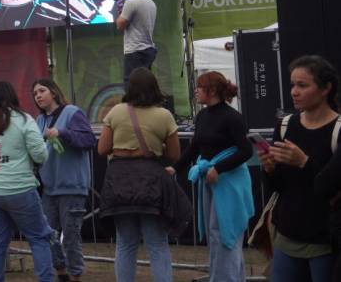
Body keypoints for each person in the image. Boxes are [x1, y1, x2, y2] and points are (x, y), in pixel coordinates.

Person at [260, 55, 340, 281]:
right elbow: (279, 188)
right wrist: (270, 169)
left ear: (326, 89)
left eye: (302, 85)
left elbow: (328, 187)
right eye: (293, 85)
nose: (294, 92)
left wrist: (304, 162)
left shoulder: (337, 130)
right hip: (288, 235)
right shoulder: (285, 126)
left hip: (325, 240)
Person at [98, 68, 180, 282]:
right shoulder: (164, 115)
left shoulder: (115, 111)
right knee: (157, 245)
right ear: (154, 87)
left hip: (120, 181)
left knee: (125, 243)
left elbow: (102, 148)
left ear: (130, 88)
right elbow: (174, 154)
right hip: (151, 182)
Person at [169, 71, 253, 282]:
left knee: (225, 233)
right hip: (211, 179)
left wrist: (219, 169)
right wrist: (175, 168)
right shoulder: (203, 115)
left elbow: (245, 151)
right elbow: (195, 146)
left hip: (229, 182)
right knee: (215, 233)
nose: (195, 90)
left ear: (213, 90)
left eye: (199, 86)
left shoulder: (232, 117)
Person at [0, 81, 53, 282]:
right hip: (18, 189)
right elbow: (40, 155)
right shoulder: (24, 120)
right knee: (38, 238)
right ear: (13, 98)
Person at [32, 78, 95, 282]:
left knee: (70, 237)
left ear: (53, 92)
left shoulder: (72, 113)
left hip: (72, 187)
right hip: (49, 189)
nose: (38, 96)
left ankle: (75, 275)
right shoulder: (39, 121)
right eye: (35, 94)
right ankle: (61, 274)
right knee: (47, 235)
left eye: (42, 91)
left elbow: (88, 140)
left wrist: (63, 133)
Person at [115, 0, 157, 82]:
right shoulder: (150, 2)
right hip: (148, 50)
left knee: (132, 87)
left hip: (134, 52)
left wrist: (120, 12)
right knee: (144, 85)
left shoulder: (130, 3)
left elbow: (120, 25)